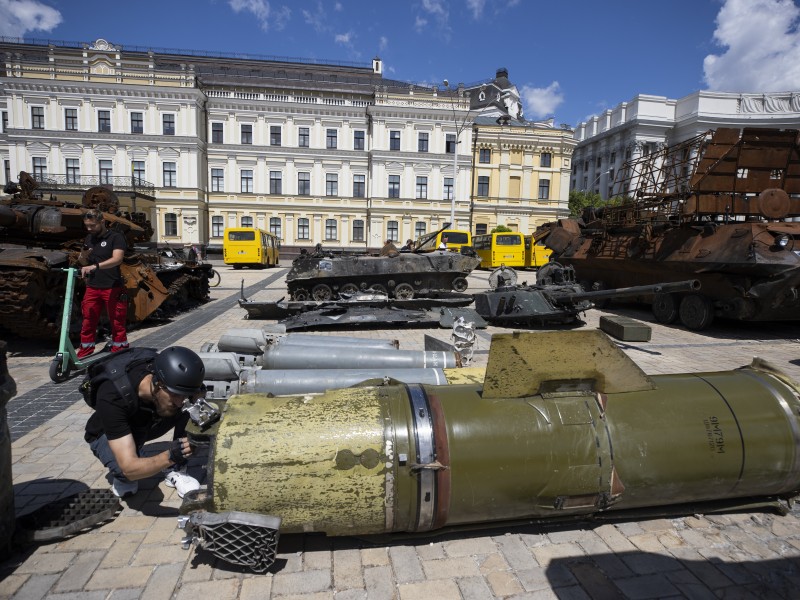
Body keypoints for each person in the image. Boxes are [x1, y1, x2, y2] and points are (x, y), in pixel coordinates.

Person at [84, 346, 205, 498]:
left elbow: (191, 396)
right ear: (157, 383)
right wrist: (171, 455)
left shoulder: (170, 385)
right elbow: (129, 466)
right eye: (175, 395)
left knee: (189, 405)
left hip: (148, 421)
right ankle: (126, 474)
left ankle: (176, 468)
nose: (180, 402)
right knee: (126, 473)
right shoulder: (112, 396)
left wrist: (197, 402)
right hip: (109, 430)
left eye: (184, 395)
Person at [78, 209, 128, 358]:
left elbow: (117, 259)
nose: (89, 229)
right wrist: (83, 257)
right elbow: (84, 261)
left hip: (112, 286)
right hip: (93, 286)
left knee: (117, 320)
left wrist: (95, 266)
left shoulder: (116, 237)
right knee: (88, 319)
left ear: (102, 222)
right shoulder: (89, 238)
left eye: (92, 225)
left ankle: (119, 349)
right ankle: (85, 350)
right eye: (87, 225)